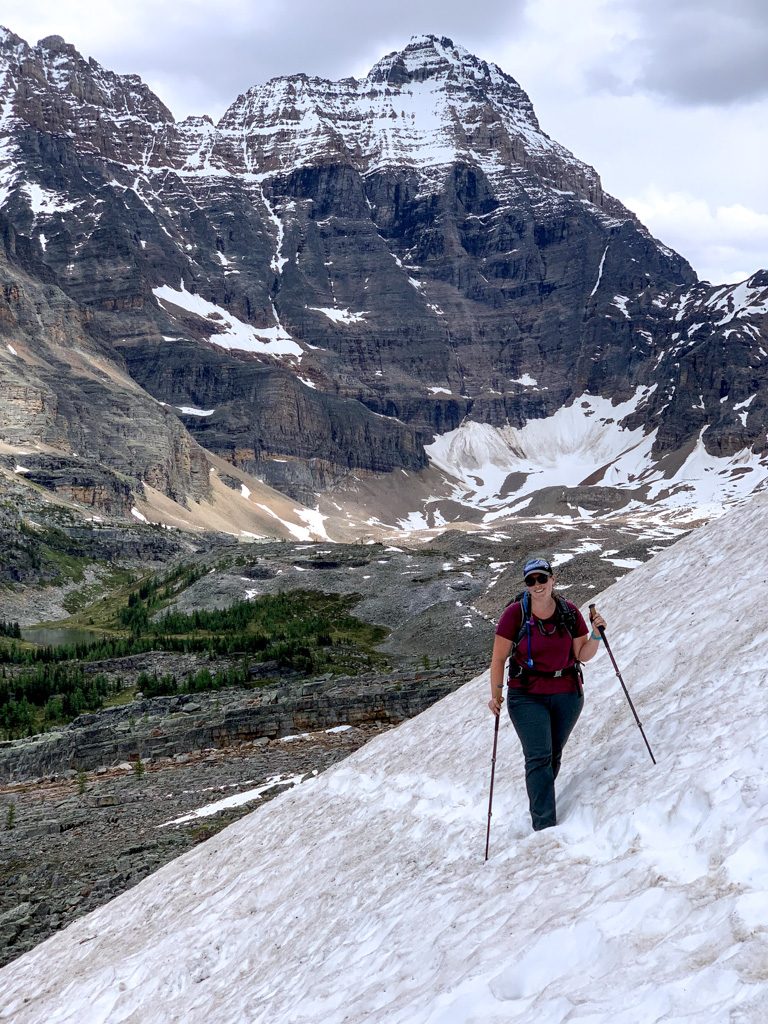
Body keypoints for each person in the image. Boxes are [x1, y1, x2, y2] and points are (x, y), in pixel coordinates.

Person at [487, 557, 606, 831]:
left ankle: (541, 803)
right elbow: (498, 659)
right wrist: (496, 695)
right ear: (527, 585)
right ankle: (544, 826)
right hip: (525, 695)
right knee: (539, 756)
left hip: (567, 693)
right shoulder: (514, 615)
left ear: (553, 579)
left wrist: (597, 635)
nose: (538, 584)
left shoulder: (569, 612)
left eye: (542, 578)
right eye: (531, 581)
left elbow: (581, 654)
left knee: (552, 755)